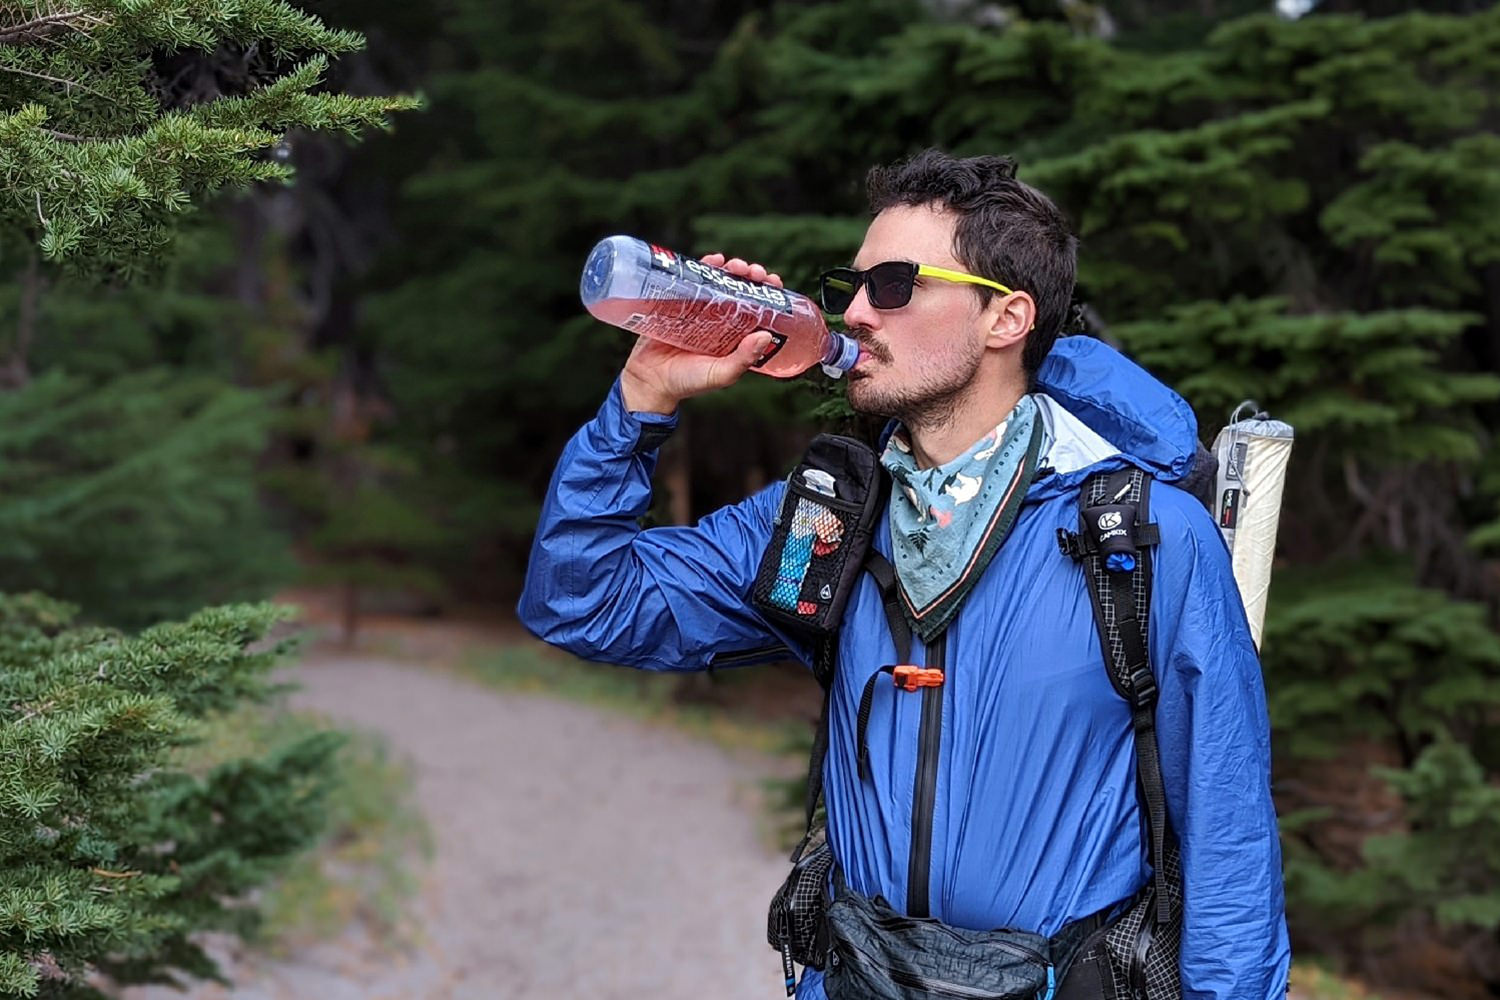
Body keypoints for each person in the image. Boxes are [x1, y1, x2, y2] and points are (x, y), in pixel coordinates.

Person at [518, 149, 1290, 1000]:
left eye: (892, 284)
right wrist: (645, 394)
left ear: (1006, 318)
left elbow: (1229, 845)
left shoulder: (1143, 539)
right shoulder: (829, 522)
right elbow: (583, 598)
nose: (853, 315)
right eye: (850, 285)